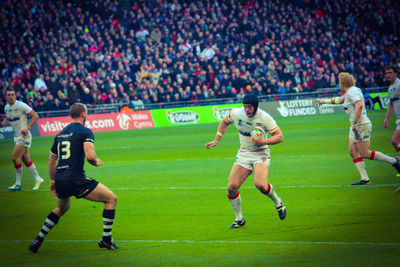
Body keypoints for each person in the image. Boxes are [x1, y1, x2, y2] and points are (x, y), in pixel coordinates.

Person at [29, 103, 118, 253]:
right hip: (76, 180)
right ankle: (106, 240)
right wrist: (95, 162)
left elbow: (51, 160)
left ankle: (38, 238)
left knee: (62, 208)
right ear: (83, 114)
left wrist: (53, 181)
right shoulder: (85, 132)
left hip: (60, 180)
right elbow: (90, 156)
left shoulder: (60, 133)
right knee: (111, 199)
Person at [205, 94, 286, 229]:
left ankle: (278, 202)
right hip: (244, 154)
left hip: (260, 154)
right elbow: (225, 122)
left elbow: (280, 137)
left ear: (255, 107)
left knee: (260, 184)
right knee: (231, 187)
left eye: (250, 107)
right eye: (245, 107)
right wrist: (216, 140)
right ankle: (239, 219)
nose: (247, 110)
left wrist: (263, 142)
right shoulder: (237, 113)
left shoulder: (265, 118)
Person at [317, 72, 400, 185]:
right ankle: (365, 179)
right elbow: (340, 100)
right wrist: (324, 102)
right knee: (352, 151)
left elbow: (359, 105)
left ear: (342, 83)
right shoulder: (351, 91)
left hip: (360, 125)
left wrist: (355, 122)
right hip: (355, 126)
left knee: (365, 153)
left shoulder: (352, 92)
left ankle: (394, 161)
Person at [0, 88, 43, 191]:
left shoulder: (21, 105)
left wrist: (27, 128)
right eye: (9, 95)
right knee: (25, 159)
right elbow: (8, 119)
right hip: (16, 136)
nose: (11, 96)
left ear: (15, 96)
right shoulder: (6, 108)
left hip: (24, 136)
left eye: (13, 94)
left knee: (15, 158)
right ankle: (38, 178)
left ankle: (18, 184)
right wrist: (1, 124)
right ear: (6, 97)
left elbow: (35, 116)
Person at [383, 65, 400, 157]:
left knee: (395, 140)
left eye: (390, 72)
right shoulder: (390, 88)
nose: (388, 75)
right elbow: (391, 105)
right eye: (386, 73)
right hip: (398, 119)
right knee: (395, 141)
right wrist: (386, 118)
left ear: (396, 74)